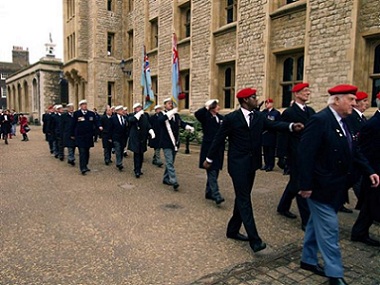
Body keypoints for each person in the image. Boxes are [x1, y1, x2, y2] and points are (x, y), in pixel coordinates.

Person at [204, 88, 303, 253]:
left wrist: (291, 126)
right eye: (253, 97)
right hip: (237, 165)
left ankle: (233, 230)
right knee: (244, 199)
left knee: (243, 197)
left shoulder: (259, 116)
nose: (256, 99)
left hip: (252, 164)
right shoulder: (231, 118)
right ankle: (255, 240)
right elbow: (218, 139)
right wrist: (209, 159)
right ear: (244, 100)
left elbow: (274, 125)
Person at [298, 84, 379, 285]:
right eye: (351, 99)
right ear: (336, 100)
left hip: (337, 186)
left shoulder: (347, 121)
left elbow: (355, 150)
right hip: (320, 187)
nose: (355, 103)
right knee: (330, 230)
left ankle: (307, 260)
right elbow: (304, 155)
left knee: (314, 226)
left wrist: (370, 171)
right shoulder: (319, 121)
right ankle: (335, 275)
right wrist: (305, 184)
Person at [276, 83, 316, 230]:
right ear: (296, 94)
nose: (308, 93)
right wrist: (281, 156)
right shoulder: (289, 113)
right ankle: (306, 221)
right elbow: (283, 135)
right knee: (300, 184)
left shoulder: (311, 111)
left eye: (308, 90)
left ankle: (283, 206)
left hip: (309, 152)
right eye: (305, 91)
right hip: (295, 153)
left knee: (294, 183)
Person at [351, 92, 380, 247]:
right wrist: (369, 170)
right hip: (373, 169)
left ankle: (359, 231)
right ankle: (359, 232)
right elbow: (364, 150)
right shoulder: (373, 123)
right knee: (370, 201)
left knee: (370, 203)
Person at [158, 98, 194, 191]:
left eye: (171, 103)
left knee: (171, 162)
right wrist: (170, 113)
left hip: (175, 142)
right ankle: (174, 181)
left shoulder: (176, 115)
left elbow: (181, 123)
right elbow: (160, 120)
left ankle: (166, 178)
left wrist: (187, 127)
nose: (171, 105)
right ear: (164, 105)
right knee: (169, 162)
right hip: (166, 142)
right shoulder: (162, 114)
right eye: (169, 103)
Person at [195, 99, 225, 205]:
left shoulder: (221, 118)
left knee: (215, 170)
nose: (219, 107)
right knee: (211, 171)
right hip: (209, 148)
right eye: (216, 106)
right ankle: (216, 195)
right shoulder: (206, 117)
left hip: (218, 149)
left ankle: (209, 192)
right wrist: (206, 107)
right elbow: (197, 114)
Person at [343, 91, 369, 211]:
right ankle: (366, 208)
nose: (367, 104)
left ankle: (337, 201)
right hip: (353, 154)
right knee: (356, 181)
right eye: (364, 101)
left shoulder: (361, 118)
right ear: (357, 103)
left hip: (360, 154)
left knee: (347, 182)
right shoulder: (352, 117)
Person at [71, 100, 100, 175]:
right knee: (82, 152)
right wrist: (72, 134)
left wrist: (99, 126)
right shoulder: (76, 114)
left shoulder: (91, 114)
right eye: (83, 105)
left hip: (88, 136)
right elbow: (73, 124)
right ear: (80, 106)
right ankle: (82, 167)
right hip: (80, 136)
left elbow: (96, 122)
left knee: (87, 151)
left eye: (85, 104)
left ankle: (85, 165)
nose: (85, 106)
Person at [128, 103, 155, 178]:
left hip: (143, 137)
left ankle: (139, 168)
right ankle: (137, 170)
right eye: (138, 108)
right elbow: (131, 120)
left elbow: (147, 124)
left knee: (141, 154)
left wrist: (151, 130)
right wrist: (138, 114)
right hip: (135, 138)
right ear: (135, 109)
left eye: (140, 107)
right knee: (136, 154)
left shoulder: (145, 116)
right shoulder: (131, 115)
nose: (140, 109)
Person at [260, 98, 281, 172]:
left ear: (272, 104)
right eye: (266, 103)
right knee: (265, 150)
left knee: (271, 151)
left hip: (271, 134)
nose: (266, 104)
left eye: (268, 103)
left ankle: (271, 165)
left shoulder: (276, 113)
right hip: (264, 134)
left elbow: (278, 123)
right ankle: (266, 164)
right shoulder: (263, 112)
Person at [109, 105, 129, 171]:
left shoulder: (125, 118)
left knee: (121, 150)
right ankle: (119, 163)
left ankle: (120, 161)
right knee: (117, 149)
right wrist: (110, 137)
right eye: (121, 110)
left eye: (122, 110)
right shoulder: (113, 118)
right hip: (116, 137)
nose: (122, 111)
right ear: (117, 111)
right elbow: (110, 128)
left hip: (123, 137)